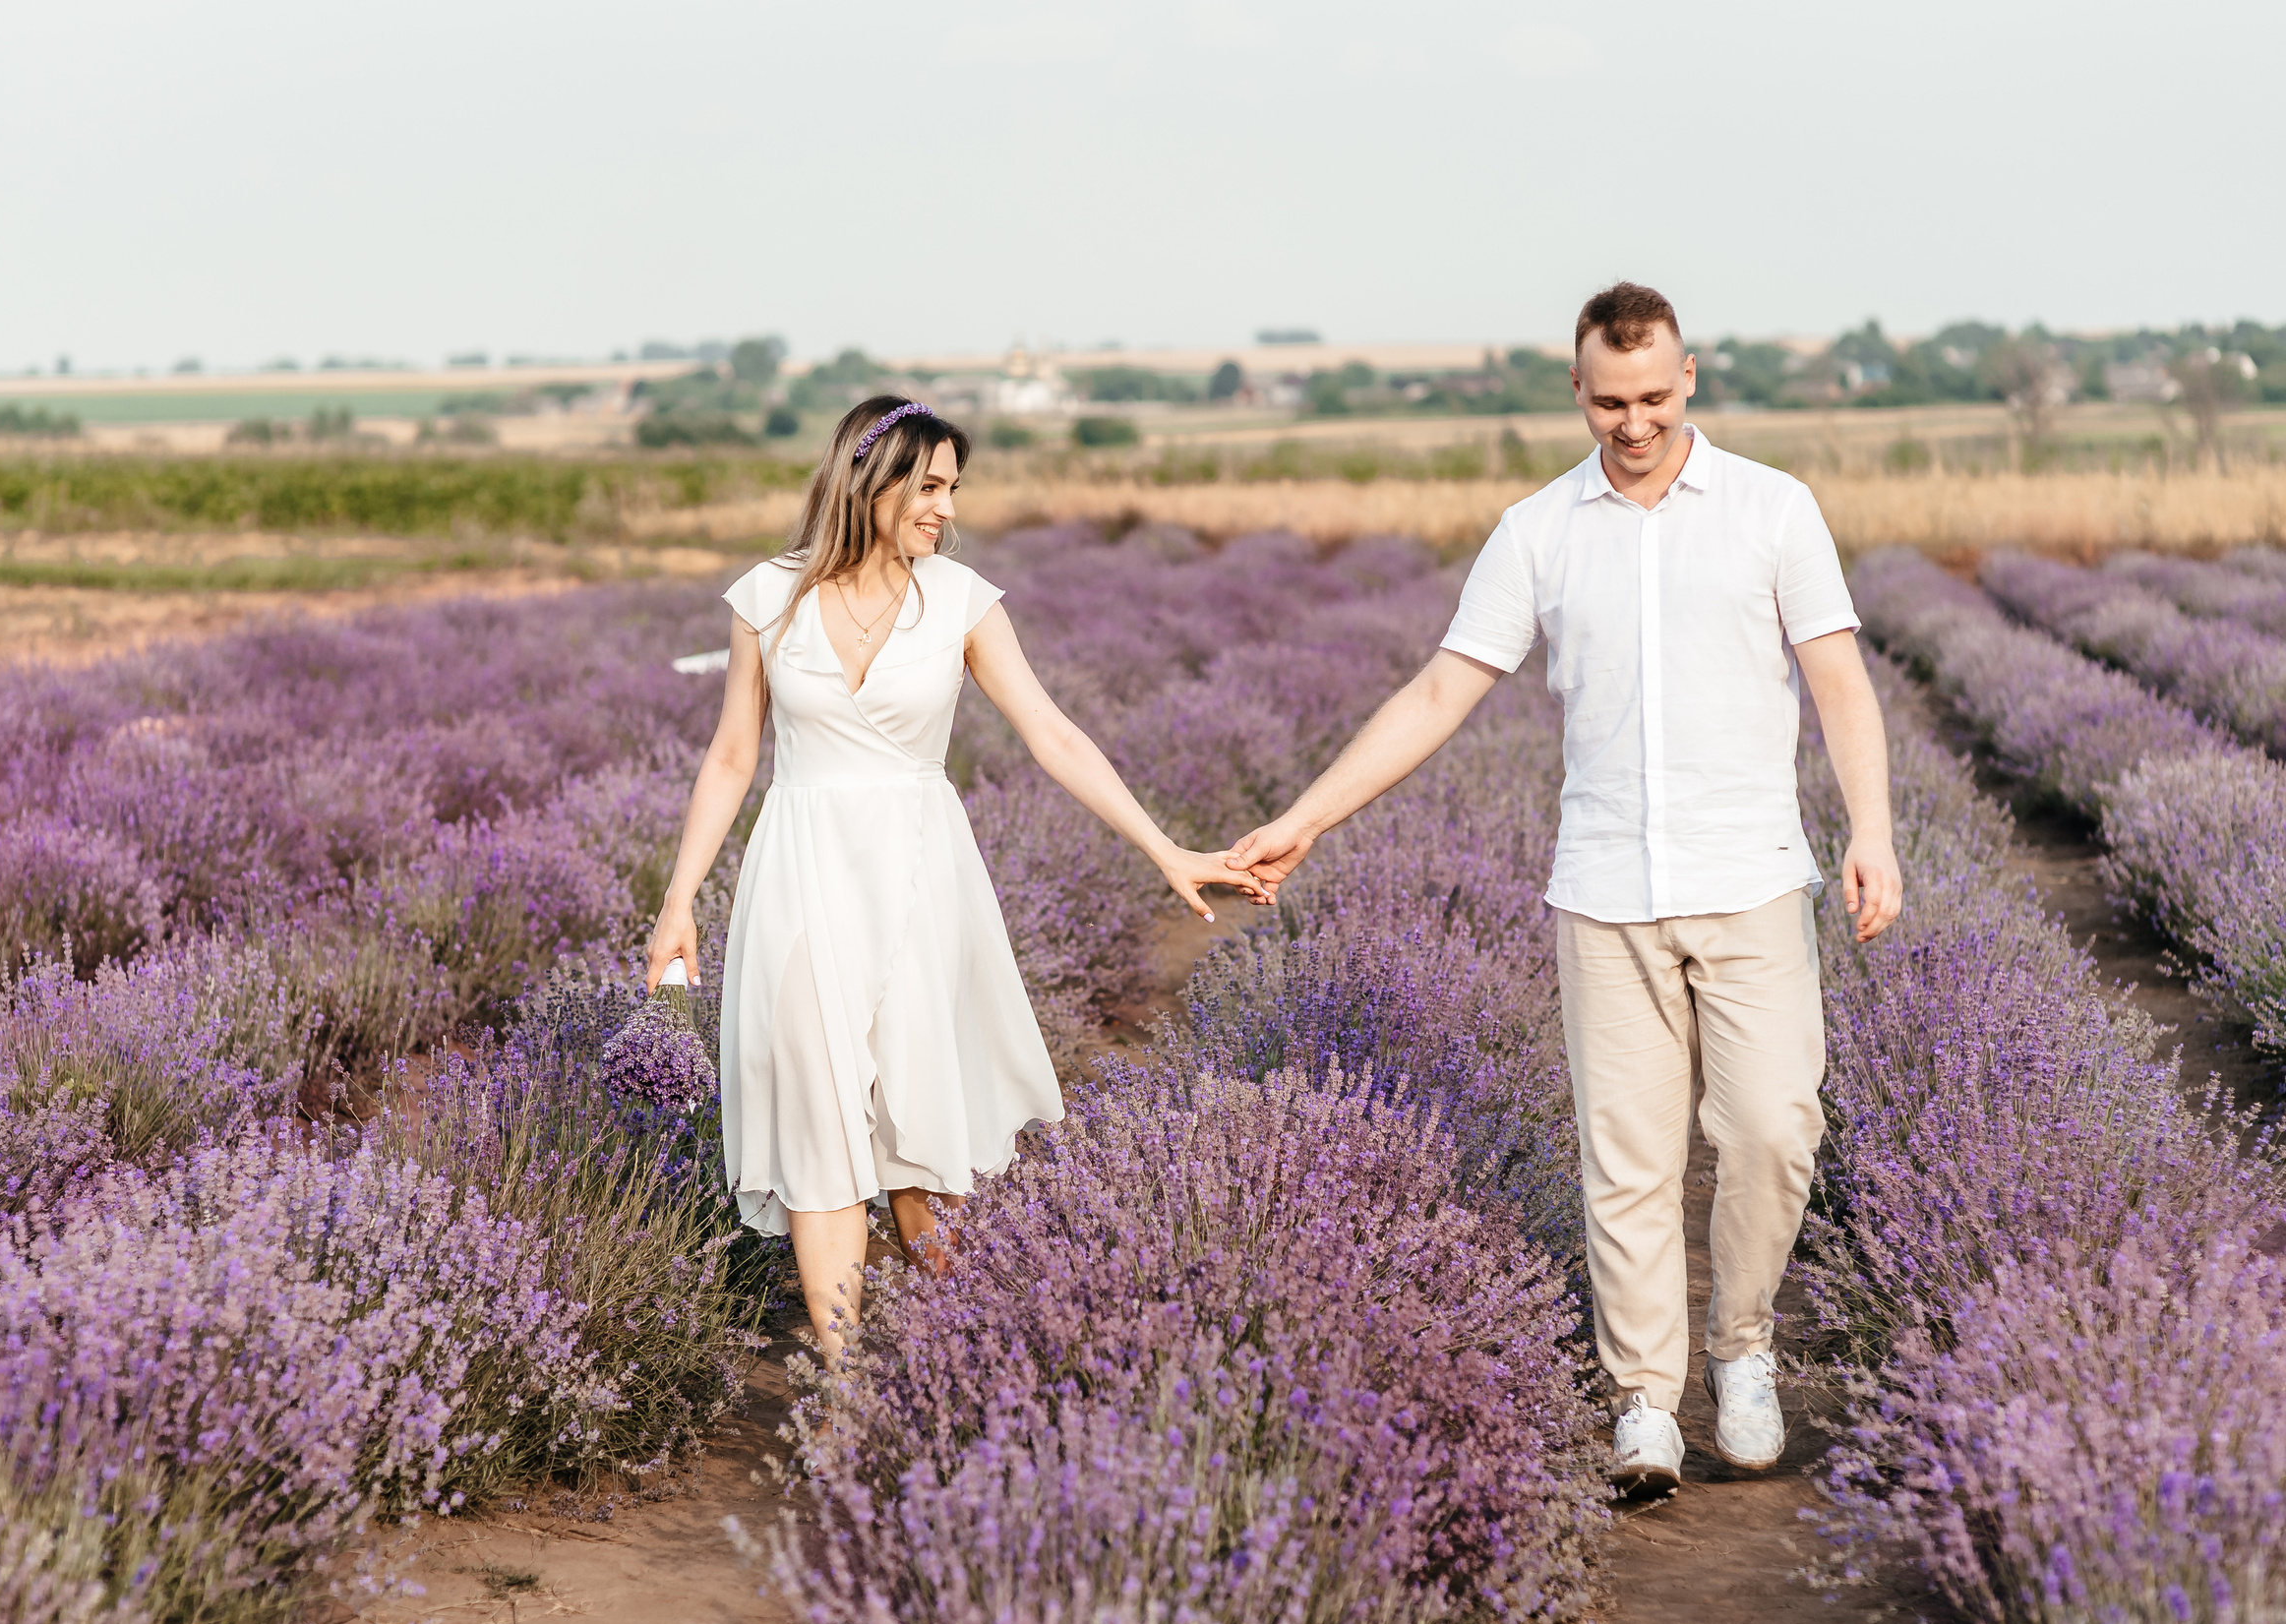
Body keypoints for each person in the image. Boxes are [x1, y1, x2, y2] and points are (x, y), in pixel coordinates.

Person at [1227, 282, 1902, 1493]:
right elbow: (1440, 691)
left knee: (1770, 1127)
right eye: (1608, 401)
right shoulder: (1538, 528)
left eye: (1651, 397)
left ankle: (1741, 1347)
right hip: (1604, 885)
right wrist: (1305, 819)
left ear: (1688, 377)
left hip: (1750, 875)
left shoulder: (1770, 509)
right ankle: (1645, 1394)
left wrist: (1873, 829)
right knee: (1626, 1156)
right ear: (1576, 391)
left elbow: (1839, 681)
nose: (1631, 422)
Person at [645, 395, 1262, 1364]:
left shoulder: (961, 600)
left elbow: (1052, 731)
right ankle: (844, 1388)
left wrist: (1164, 846)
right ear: (871, 481)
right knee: (818, 1118)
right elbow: (731, 755)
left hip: (922, 876)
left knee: (921, 1128)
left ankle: (971, 1355)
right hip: (800, 873)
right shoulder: (767, 597)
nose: (945, 507)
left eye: (952, 488)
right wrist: (678, 900)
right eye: (928, 486)